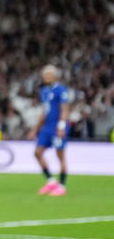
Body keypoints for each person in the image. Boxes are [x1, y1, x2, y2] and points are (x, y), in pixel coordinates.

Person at [31, 64, 71, 196]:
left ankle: (62, 186)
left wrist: (61, 126)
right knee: (37, 152)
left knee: (60, 156)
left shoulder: (61, 90)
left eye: (49, 75)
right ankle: (51, 181)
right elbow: (45, 112)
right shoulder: (44, 91)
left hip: (57, 127)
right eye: (44, 75)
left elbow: (65, 109)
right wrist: (35, 128)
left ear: (55, 76)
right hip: (47, 127)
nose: (46, 77)